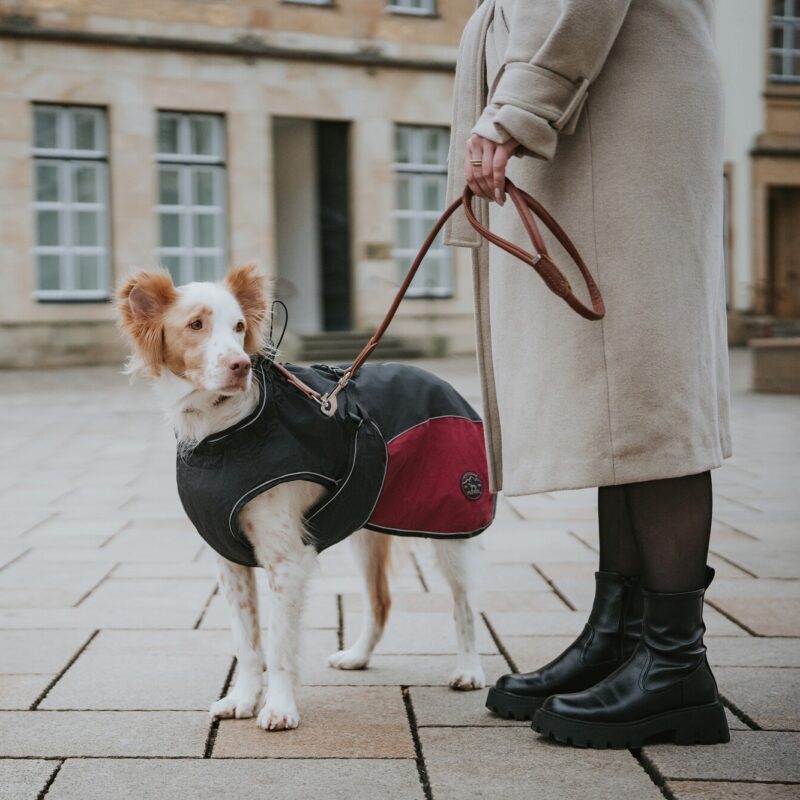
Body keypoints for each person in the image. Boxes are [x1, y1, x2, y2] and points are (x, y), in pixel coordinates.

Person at [444, 0, 731, 748]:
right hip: (602, 86)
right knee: (621, 396)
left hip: (615, 95)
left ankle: (675, 666)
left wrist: (515, 105)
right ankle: (624, 636)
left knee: (646, 381)